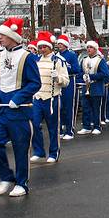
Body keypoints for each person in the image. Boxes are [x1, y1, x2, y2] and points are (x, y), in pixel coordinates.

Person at [0, 17, 41, 197]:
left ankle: (22, 183)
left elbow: (35, 83)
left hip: (20, 111)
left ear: (12, 37)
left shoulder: (27, 57)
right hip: (2, 110)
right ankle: (6, 176)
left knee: (20, 147)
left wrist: (18, 98)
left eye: (2, 35)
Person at [31, 31, 69, 163]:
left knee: (53, 128)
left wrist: (57, 77)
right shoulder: (35, 60)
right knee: (34, 124)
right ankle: (38, 151)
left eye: (44, 47)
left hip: (52, 98)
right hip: (38, 98)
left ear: (50, 47)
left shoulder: (58, 61)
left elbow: (66, 81)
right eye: (40, 47)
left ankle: (53, 153)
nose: (42, 49)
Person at [77, 40, 109, 135]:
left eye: (91, 47)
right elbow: (80, 71)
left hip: (96, 86)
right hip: (85, 86)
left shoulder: (100, 60)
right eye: (87, 47)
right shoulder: (84, 60)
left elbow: (105, 73)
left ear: (95, 49)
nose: (88, 49)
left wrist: (91, 76)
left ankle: (97, 126)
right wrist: (83, 76)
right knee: (85, 107)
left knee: (96, 108)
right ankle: (86, 126)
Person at [55, 34, 81, 140]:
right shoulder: (55, 55)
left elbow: (76, 69)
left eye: (61, 43)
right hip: (58, 82)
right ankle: (60, 129)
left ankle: (69, 130)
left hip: (69, 81)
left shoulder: (71, 55)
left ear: (65, 45)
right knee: (59, 107)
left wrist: (65, 67)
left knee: (68, 106)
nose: (59, 45)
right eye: (58, 43)